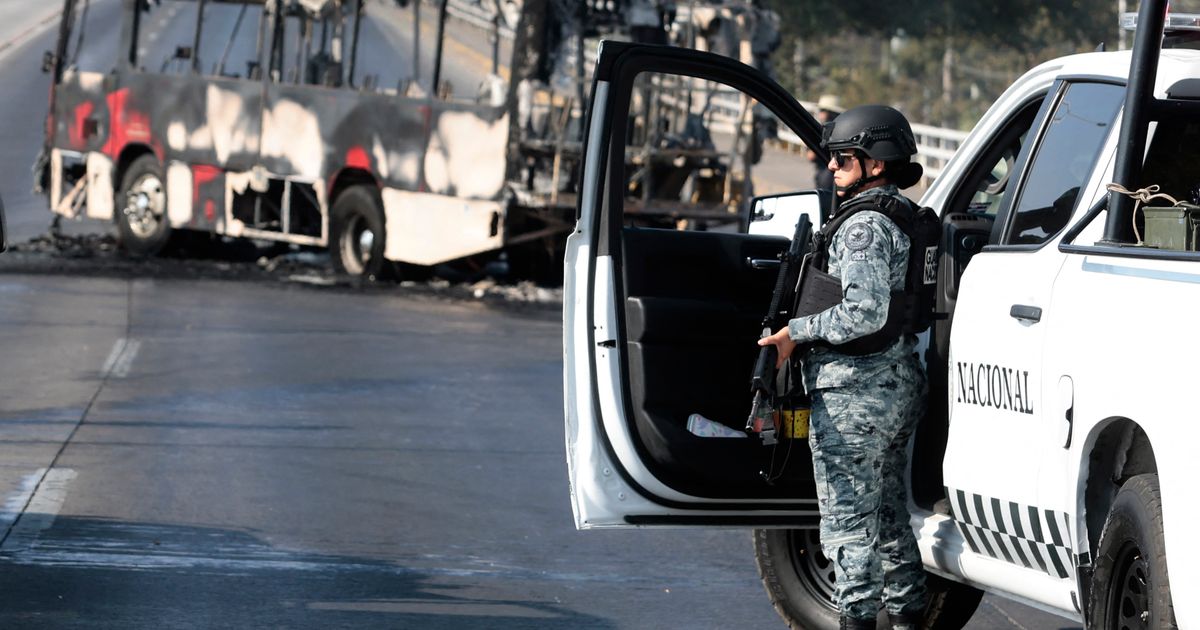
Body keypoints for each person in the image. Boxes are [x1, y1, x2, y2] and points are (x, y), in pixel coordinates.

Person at [757, 104, 928, 630]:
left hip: (856, 394)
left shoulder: (864, 227)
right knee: (889, 518)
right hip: (892, 383)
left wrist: (794, 335)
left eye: (842, 159)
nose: (831, 167)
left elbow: (865, 310)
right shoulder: (897, 213)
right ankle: (907, 617)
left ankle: (857, 618)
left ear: (875, 163)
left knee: (848, 524)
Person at [808, 95, 844, 193]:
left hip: (825, 175)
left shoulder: (825, 130)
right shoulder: (842, 129)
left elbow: (811, 156)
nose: (820, 113)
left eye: (822, 110)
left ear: (828, 113)